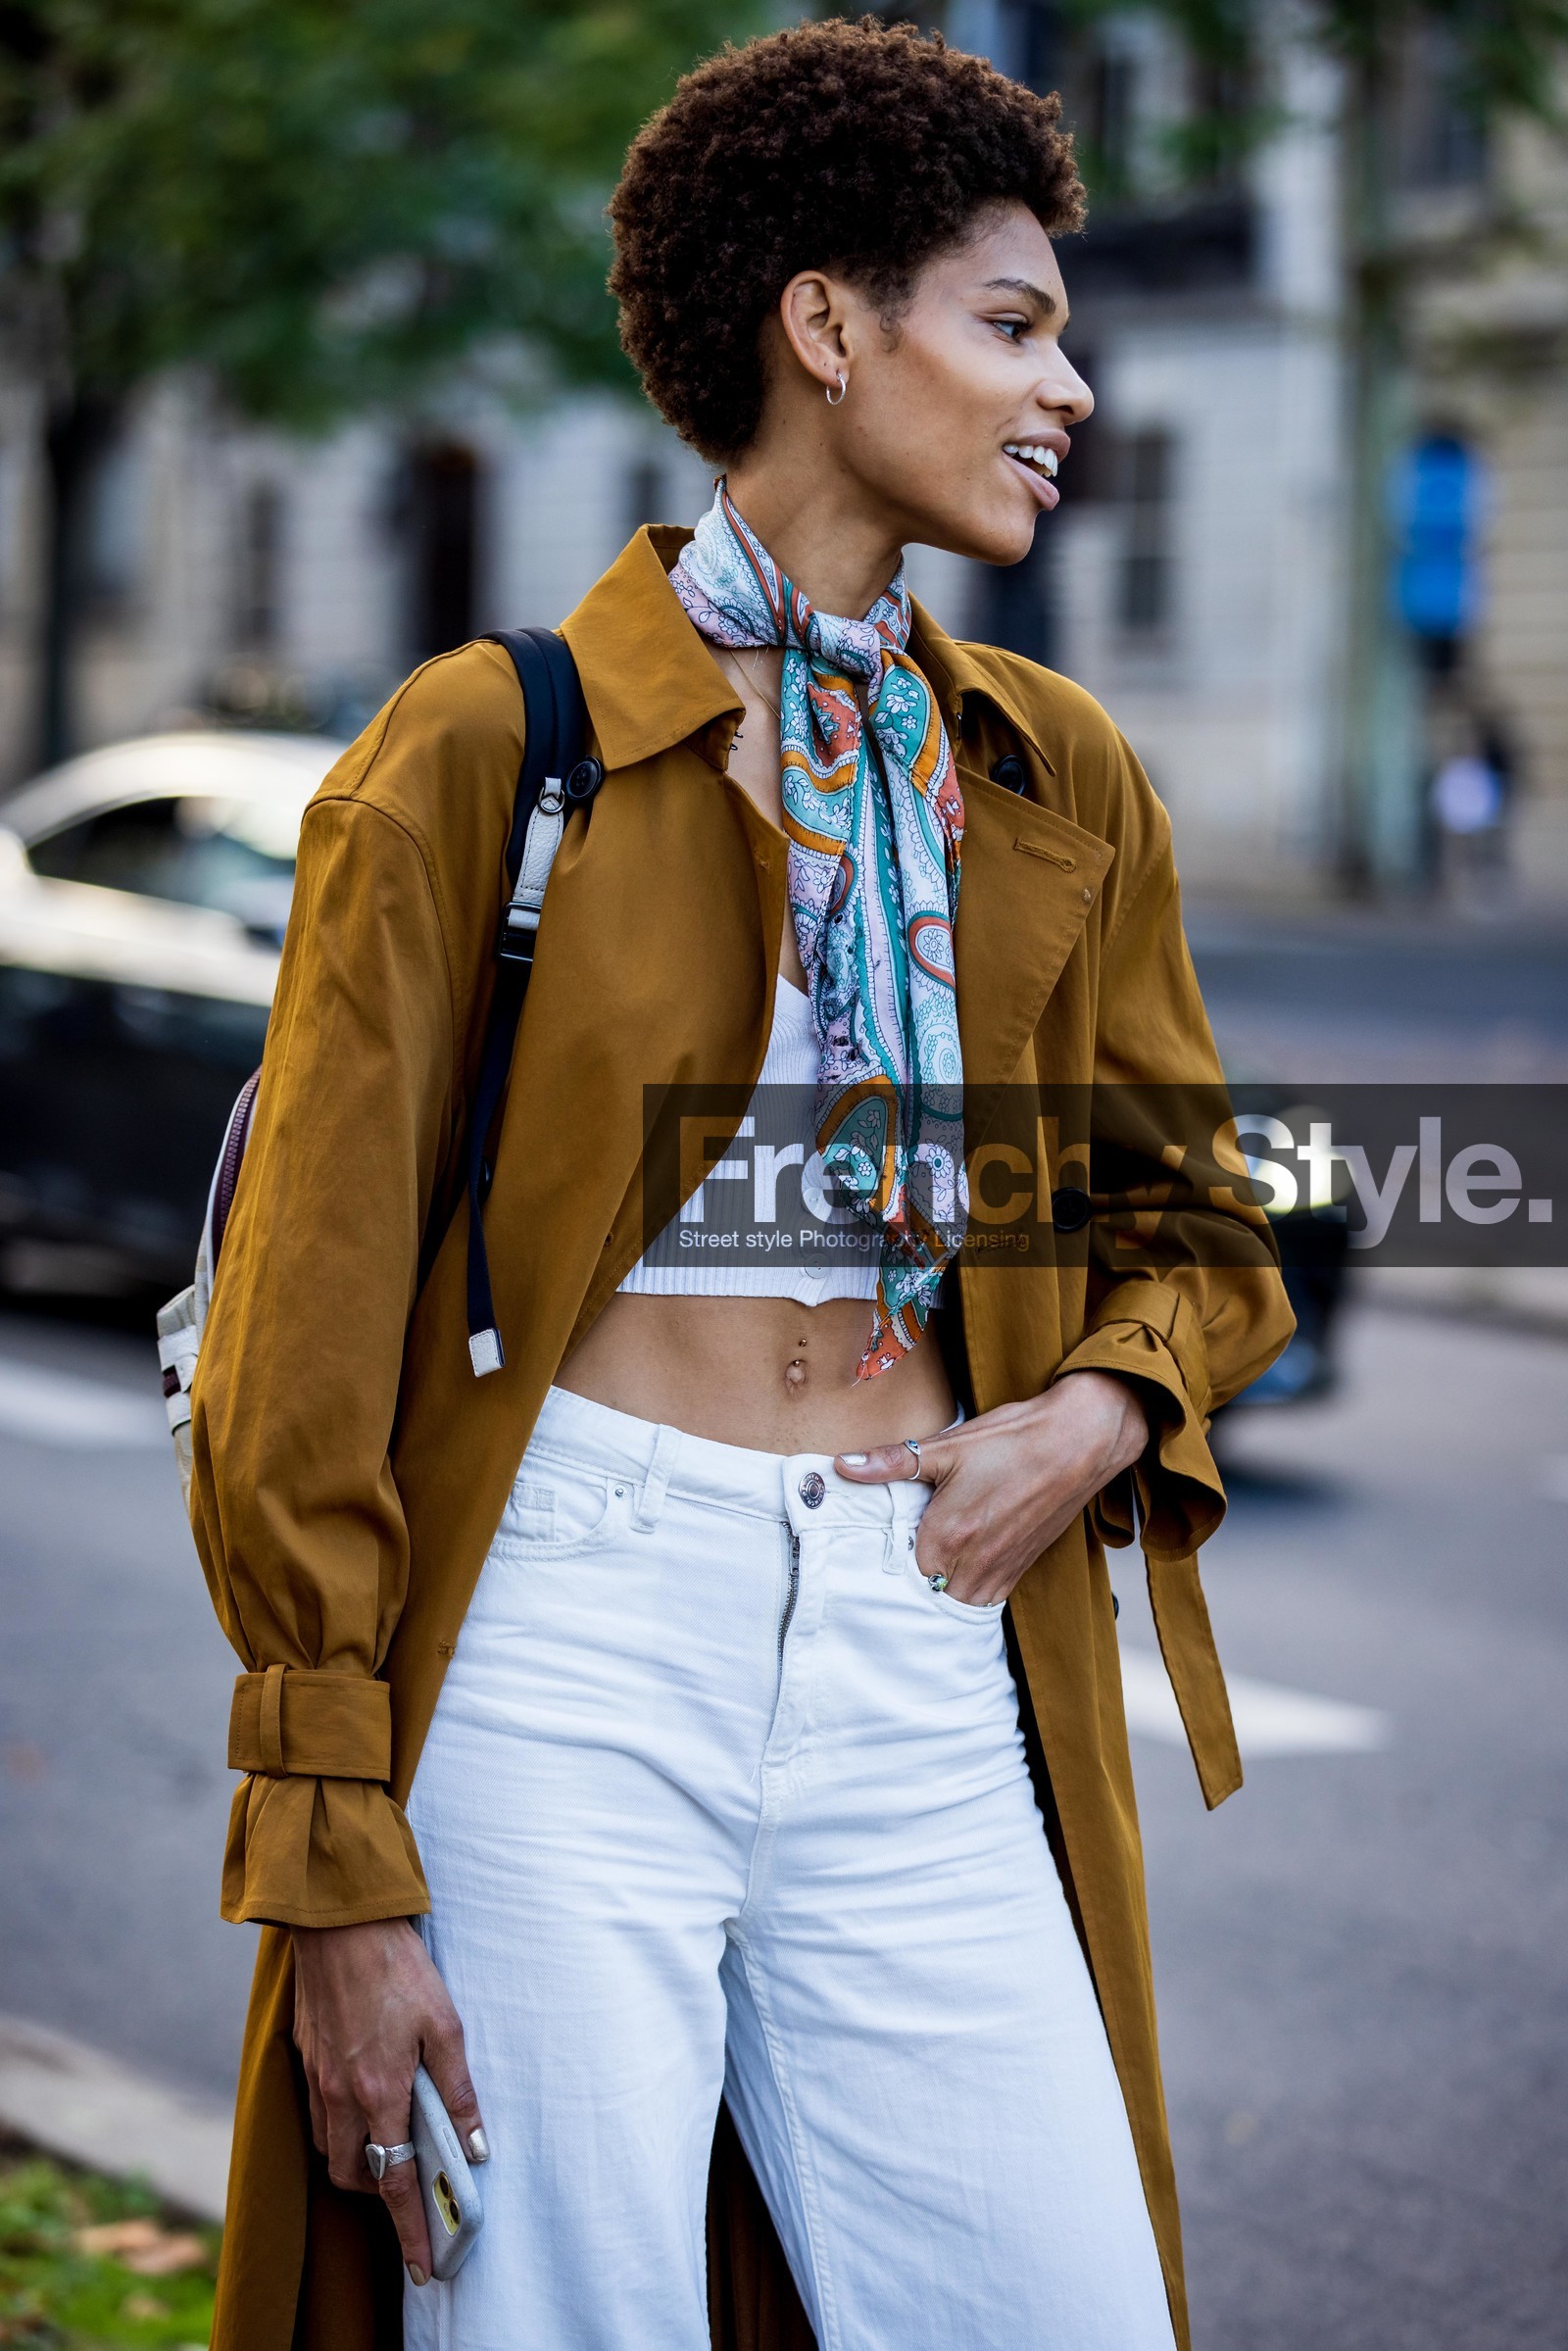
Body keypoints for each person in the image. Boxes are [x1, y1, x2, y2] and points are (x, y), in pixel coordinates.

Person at [190, 22, 1293, 2351]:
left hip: (920, 1633)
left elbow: (1198, 1224)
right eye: (1008, 323)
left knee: (1059, 2308)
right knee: (554, 2313)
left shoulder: (1047, 770)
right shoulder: (492, 751)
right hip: (568, 1634)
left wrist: (1090, 1414)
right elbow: (296, 1336)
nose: (1062, 386)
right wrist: (335, 1875)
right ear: (823, 327)